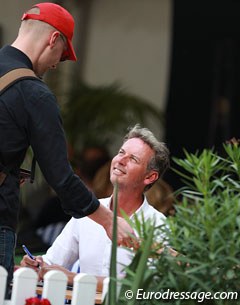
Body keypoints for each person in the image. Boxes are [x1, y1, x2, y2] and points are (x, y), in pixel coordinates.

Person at [0, 2, 134, 296]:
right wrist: (108, 221)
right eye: (60, 56)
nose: (54, 65)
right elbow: (60, 176)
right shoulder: (33, 92)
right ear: (53, 39)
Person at [20, 124, 171, 291]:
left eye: (133, 159)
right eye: (121, 152)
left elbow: (145, 287)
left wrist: (73, 278)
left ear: (150, 177)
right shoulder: (89, 211)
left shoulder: (158, 224)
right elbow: (52, 262)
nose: (120, 160)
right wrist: (37, 265)